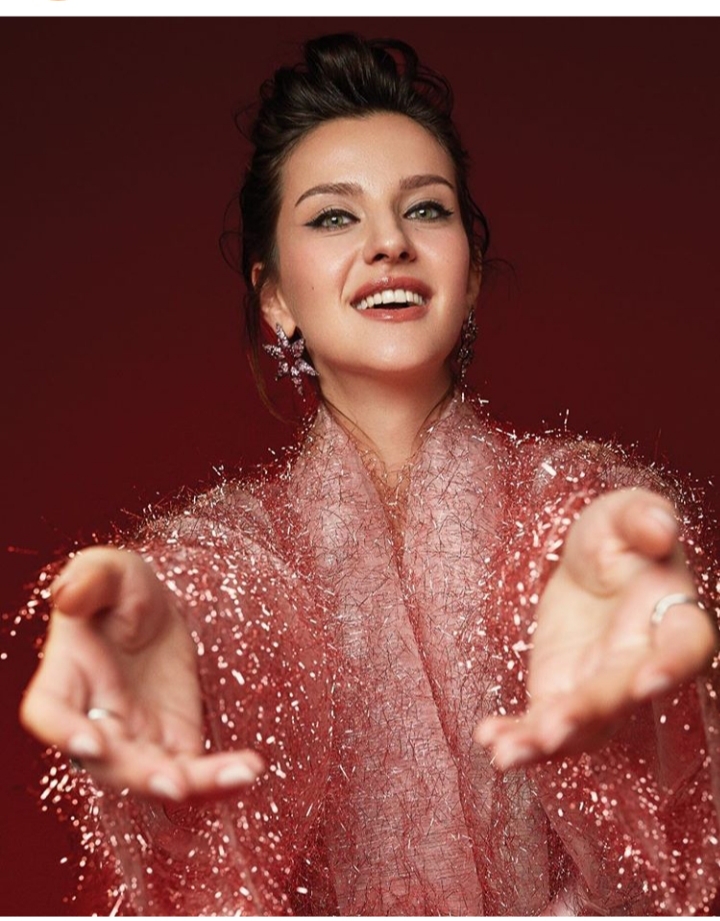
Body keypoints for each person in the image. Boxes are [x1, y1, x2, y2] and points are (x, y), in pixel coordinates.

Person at [18, 33, 720, 915]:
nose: (390, 242)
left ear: (471, 275)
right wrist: (162, 630)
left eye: (426, 209)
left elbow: (597, 561)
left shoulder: (575, 507)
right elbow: (221, 603)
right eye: (333, 217)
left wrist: (644, 639)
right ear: (275, 297)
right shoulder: (232, 553)